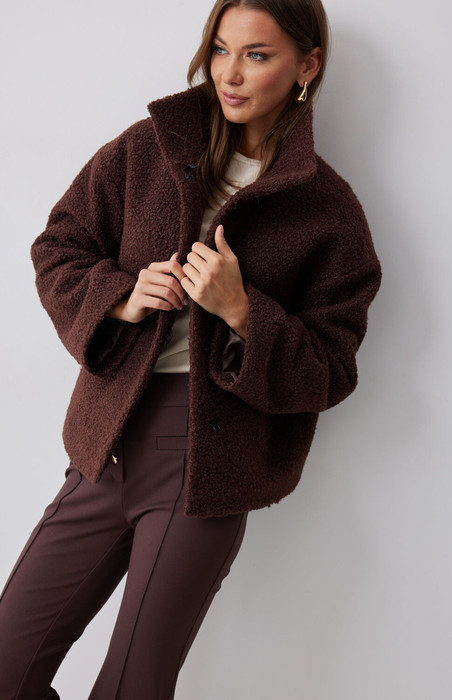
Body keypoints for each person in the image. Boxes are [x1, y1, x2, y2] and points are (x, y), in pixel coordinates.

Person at [0, 0, 382, 697]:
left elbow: (331, 369)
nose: (229, 74)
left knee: (132, 687)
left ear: (307, 66)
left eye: (257, 55)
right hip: (104, 443)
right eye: (220, 49)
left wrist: (243, 311)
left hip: (203, 462)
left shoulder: (326, 209)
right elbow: (58, 245)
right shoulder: (146, 150)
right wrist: (121, 295)